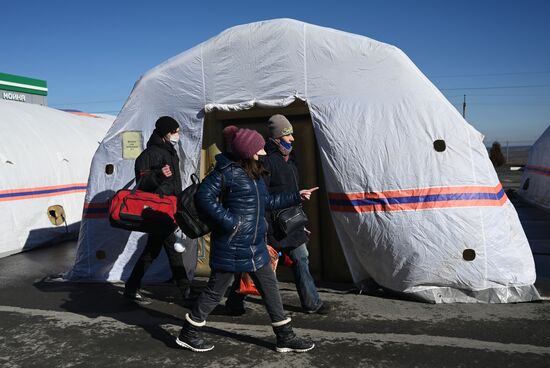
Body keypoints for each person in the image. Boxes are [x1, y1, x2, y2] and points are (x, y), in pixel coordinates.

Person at [176, 128, 317, 353]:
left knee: (270, 289)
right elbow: (204, 197)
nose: (263, 151)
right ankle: (189, 332)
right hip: (233, 243)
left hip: (255, 244)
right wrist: (231, 222)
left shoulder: (254, 173)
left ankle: (285, 336)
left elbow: (266, 202)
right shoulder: (226, 171)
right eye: (259, 147)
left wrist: (295, 196)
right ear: (249, 151)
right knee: (215, 291)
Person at [226, 114, 329, 315]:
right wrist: (262, 228)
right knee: (253, 265)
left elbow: (292, 191)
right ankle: (234, 302)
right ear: (277, 137)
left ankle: (311, 303)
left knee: (301, 259)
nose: (292, 139)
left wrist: (299, 219)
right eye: (288, 135)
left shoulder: (291, 159)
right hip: (271, 225)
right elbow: (262, 197)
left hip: (291, 222)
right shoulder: (267, 161)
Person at [123, 116, 189, 302]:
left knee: (153, 251)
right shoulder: (151, 153)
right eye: (175, 131)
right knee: (170, 250)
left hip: (168, 207)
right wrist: (158, 175)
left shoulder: (169, 151)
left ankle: (131, 287)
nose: (178, 134)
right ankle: (185, 291)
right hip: (158, 210)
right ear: (167, 133)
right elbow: (142, 182)